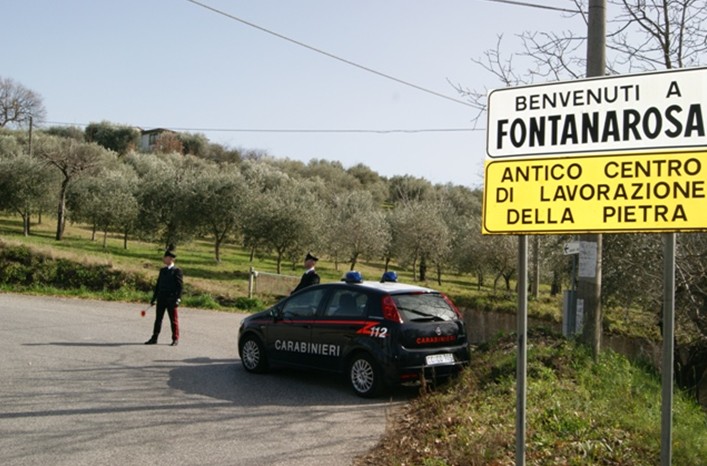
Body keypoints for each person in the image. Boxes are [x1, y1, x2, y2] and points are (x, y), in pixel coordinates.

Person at [145, 250, 183, 346]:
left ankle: (175, 339)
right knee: (158, 319)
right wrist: (154, 298)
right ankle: (154, 338)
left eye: (165, 258)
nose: (163, 259)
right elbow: (158, 285)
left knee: (173, 320)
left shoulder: (177, 271)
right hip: (161, 298)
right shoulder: (162, 270)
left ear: (170, 259)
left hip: (171, 299)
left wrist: (178, 299)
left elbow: (180, 287)